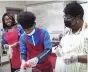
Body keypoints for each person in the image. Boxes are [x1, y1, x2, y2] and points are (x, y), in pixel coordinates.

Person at [55, 1, 88, 72]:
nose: (66, 20)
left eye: (69, 18)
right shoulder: (67, 32)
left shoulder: (86, 33)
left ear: (78, 18)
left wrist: (77, 58)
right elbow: (61, 45)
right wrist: (59, 49)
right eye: (65, 16)